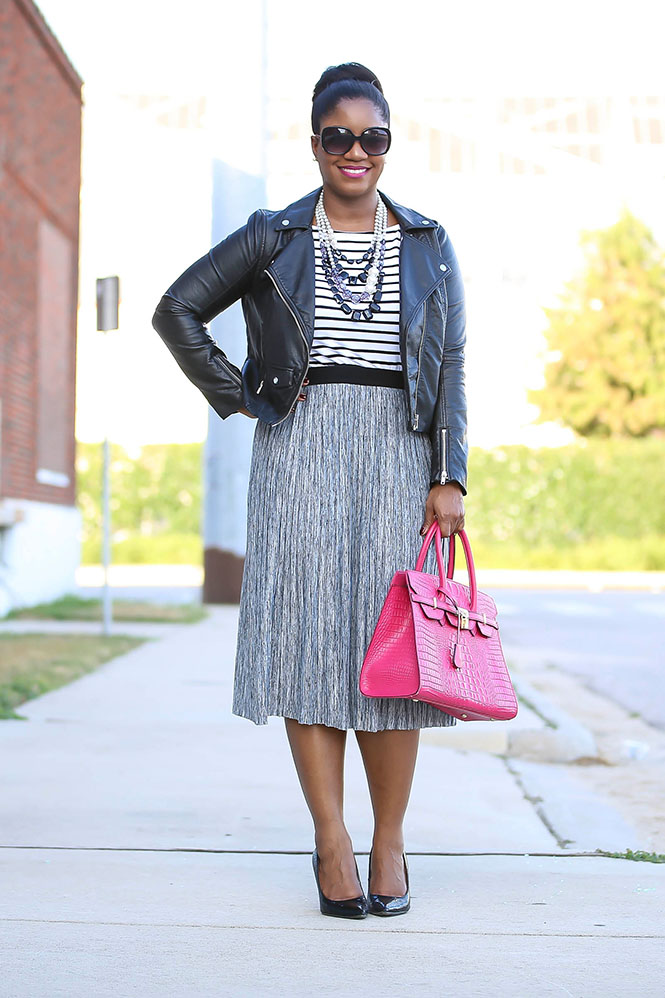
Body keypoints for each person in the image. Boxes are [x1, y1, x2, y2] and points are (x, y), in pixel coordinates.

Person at [152, 62, 468, 920]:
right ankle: (330, 840)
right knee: (307, 644)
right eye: (338, 136)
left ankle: (389, 841)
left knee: (393, 657)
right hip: (298, 447)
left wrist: (449, 473)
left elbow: (449, 363)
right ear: (316, 143)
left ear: (388, 144)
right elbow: (177, 308)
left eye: (371, 137)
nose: (354, 151)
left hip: (399, 451)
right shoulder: (274, 234)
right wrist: (238, 394)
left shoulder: (428, 241)